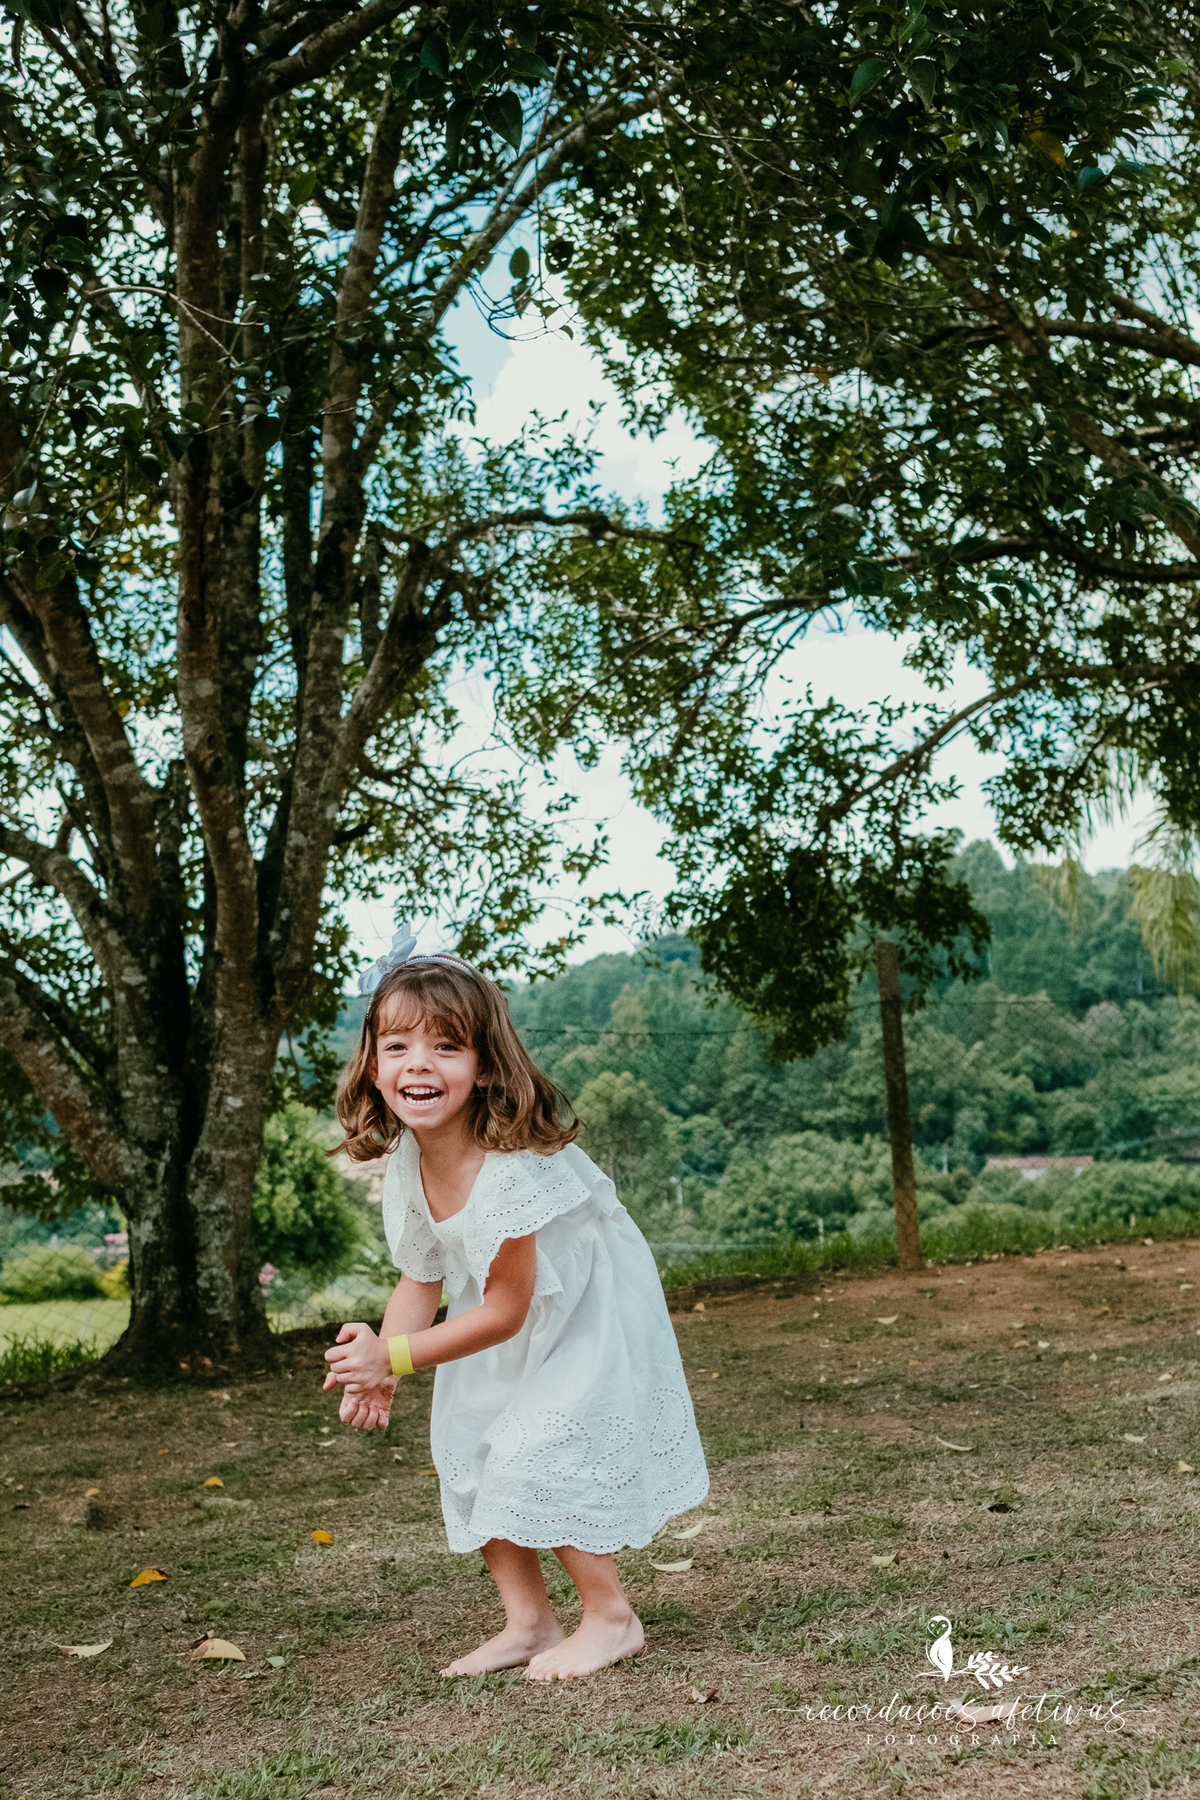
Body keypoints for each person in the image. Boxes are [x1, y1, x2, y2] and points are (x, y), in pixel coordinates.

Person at [323, 928, 709, 1681]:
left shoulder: (510, 1170)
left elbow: (505, 1310)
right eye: (397, 1047)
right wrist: (384, 1372)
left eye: (446, 1047)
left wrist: (392, 1352)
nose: (419, 1065)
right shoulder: (407, 1158)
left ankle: (612, 1617)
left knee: (538, 1447)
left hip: (586, 1307)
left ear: (485, 1067)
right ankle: (529, 1623)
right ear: (372, 1066)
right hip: (510, 1307)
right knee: (470, 1441)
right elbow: (420, 1280)